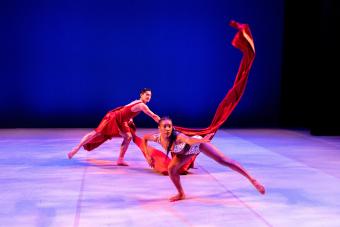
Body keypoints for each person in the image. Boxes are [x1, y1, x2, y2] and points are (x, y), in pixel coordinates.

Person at [142, 116, 265, 202]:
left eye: (169, 126)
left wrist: (201, 140)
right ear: (159, 128)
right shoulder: (156, 137)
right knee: (171, 169)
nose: (167, 129)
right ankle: (181, 194)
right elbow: (144, 139)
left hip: (197, 145)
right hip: (184, 154)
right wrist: (147, 155)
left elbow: (189, 140)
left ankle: (252, 179)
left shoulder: (178, 136)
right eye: (164, 126)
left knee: (224, 160)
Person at [68, 88, 160, 166]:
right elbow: (153, 115)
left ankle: (120, 159)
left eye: (150, 95)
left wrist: (130, 119)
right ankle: (76, 148)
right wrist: (162, 122)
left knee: (128, 137)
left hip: (122, 121)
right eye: (147, 95)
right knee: (97, 132)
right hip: (113, 117)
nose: (149, 97)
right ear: (141, 95)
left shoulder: (137, 102)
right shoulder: (142, 105)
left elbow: (126, 109)